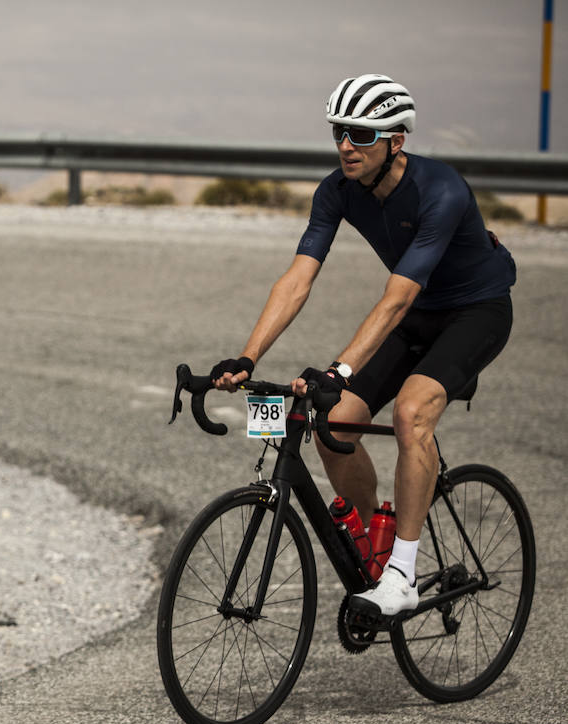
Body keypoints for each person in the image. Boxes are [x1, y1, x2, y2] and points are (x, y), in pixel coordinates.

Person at [211, 74, 515, 621]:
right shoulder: (337, 190)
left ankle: (402, 575)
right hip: (417, 314)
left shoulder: (440, 191)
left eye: (361, 134)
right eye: (338, 132)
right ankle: (378, 548)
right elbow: (298, 278)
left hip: (476, 311)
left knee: (411, 412)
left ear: (396, 141)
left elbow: (397, 298)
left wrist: (339, 367)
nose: (346, 145)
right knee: (334, 423)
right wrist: (247, 356)